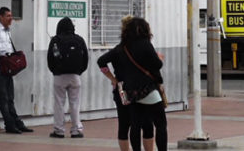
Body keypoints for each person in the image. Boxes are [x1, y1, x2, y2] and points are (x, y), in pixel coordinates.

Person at [119, 17, 167, 151]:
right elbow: (157, 65)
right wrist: (158, 58)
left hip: (131, 90)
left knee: (135, 125)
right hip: (147, 89)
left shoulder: (124, 46)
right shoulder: (145, 43)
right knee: (161, 123)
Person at [98, 16, 142, 151]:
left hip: (121, 89)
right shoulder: (141, 47)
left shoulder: (119, 49)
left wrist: (113, 79)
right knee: (137, 123)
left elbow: (101, 61)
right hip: (139, 89)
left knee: (123, 124)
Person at [0, 7, 33, 134]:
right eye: (8, 16)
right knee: (3, 98)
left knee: (10, 98)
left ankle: (18, 123)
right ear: (1, 17)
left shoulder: (7, 31)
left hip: (7, 70)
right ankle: (10, 125)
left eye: (11, 16)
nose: (11, 18)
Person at [47, 16, 89, 138]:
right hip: (75, 76)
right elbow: (85, 58)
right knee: (75, 103)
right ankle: (76, 130)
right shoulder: (79, 40)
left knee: (59, 103)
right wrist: (79, 72)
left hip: (59, 76)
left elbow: (50, 58)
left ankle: (59, 130)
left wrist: (55, 71)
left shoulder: (55, 40)